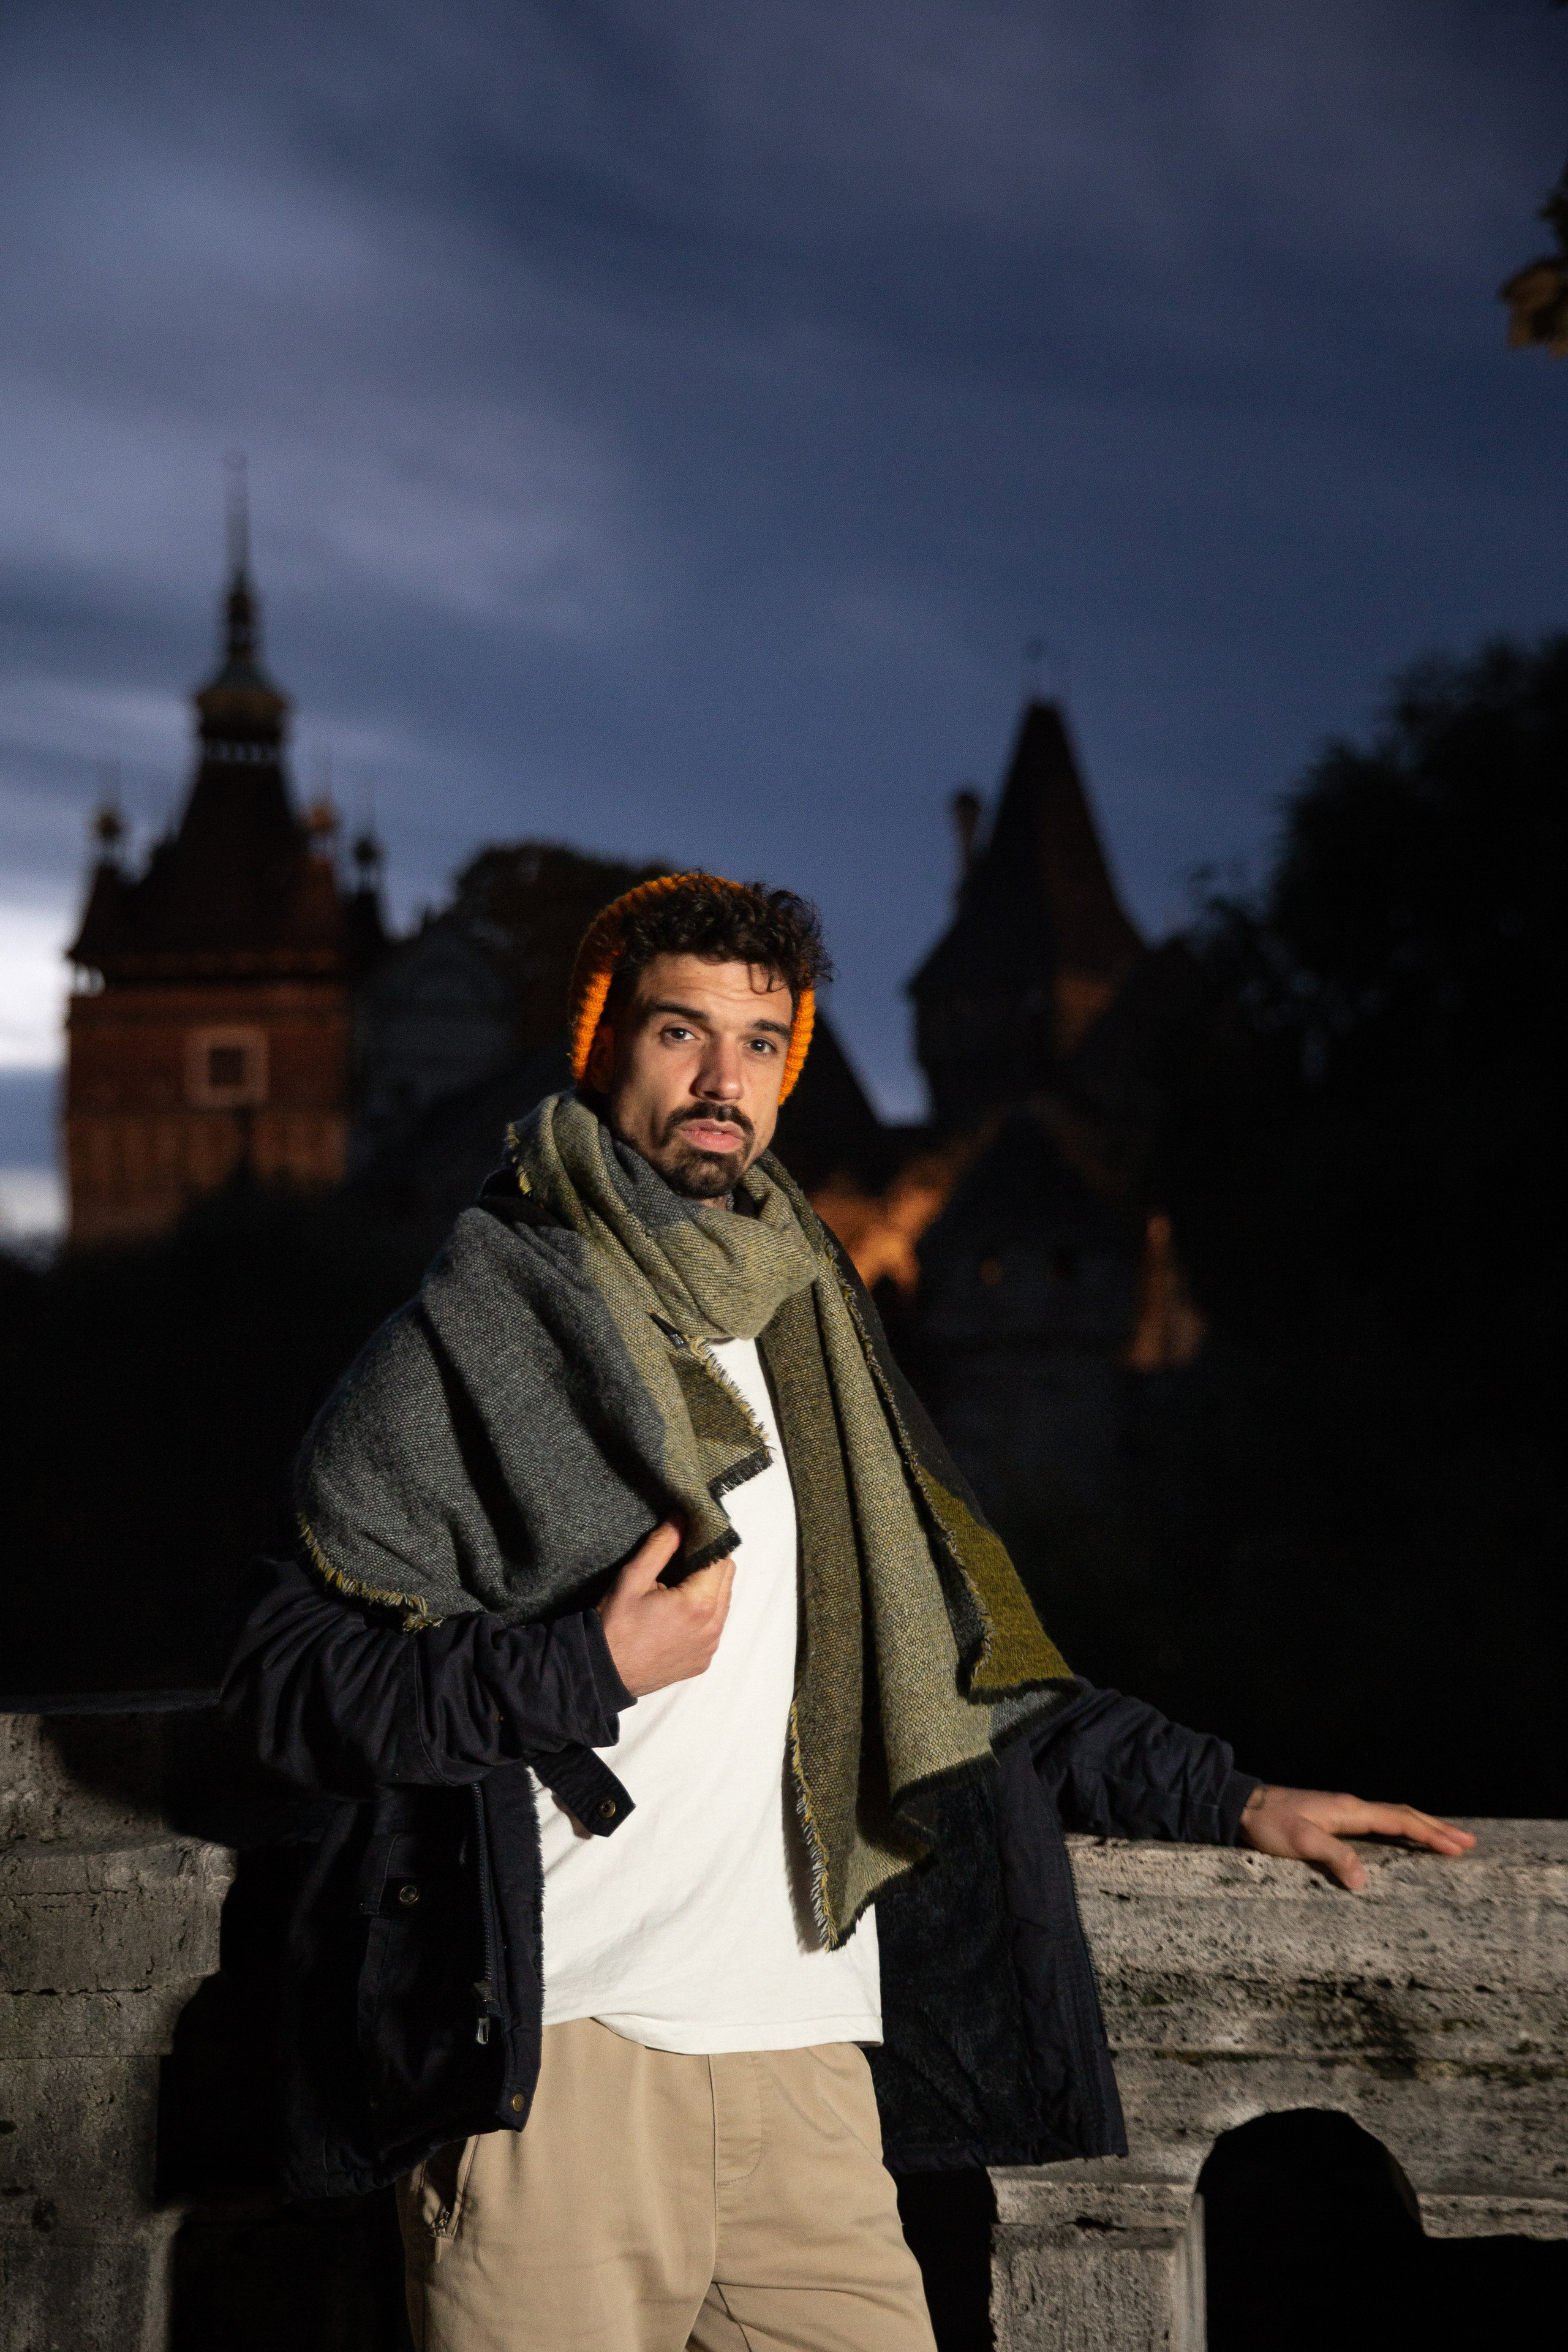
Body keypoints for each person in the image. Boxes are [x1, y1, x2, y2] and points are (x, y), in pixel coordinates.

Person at [224, 872, 1473, 2352]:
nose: (719, 1080)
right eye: (679, 1034)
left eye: (757, 1045)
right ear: (602, 1047)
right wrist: (585, 1666)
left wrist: (1233, 1796)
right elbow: (284, 1685)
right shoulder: (480, 1320)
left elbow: (954, 1669)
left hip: (807, 2067)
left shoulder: (811, 1316)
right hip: (560, 2076)